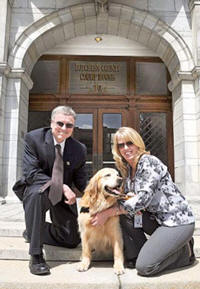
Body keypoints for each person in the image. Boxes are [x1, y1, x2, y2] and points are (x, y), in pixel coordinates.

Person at [90, 126, 195, 276]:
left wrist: (108, 212)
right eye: (121, 145)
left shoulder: (149, 162)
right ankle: (136, 254)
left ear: (137, 143)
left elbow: (143, 200)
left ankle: (185, 252)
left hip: (176, 222)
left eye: (129, 143)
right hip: (155, 219)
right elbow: (131, 200)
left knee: (145, 267)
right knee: (123, 215)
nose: (125, 148)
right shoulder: (128, 169)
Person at [13, 106, 87, 275]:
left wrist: (101, 193)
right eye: (60, 123)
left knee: (71, 239)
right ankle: (36, 255)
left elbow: (82, 182)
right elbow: (31, 173)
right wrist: (62, 186)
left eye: (69, 125)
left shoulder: (79, 149)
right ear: (52, 122)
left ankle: (32, 231)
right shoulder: (34, 138)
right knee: (37, 195)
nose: (64, 128)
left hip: (62, 197)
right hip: (37, 188)